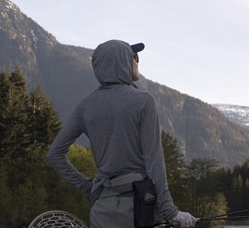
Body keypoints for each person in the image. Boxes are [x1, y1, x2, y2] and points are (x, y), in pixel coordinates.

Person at [47, 40, 197, 228]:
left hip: (101, 210)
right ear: (123, 62)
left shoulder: (85, 106)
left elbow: (54, 155)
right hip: (139, 209)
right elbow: (154, 161)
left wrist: (89, 186)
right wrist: (171, 212)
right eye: (134, 56)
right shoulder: (143, 101)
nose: (137, 61)